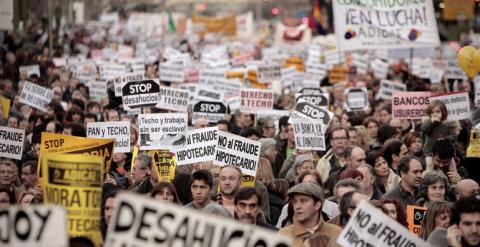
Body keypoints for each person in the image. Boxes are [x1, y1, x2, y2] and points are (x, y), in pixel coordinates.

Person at [277, 182, 342, 247]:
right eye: (295, 201)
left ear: (317, 205)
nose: (297, 206)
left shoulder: (337, 232)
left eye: (303, 201)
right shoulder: (283, 235)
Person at [421, 100, 459, 167]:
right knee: (429, 165)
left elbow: (454, 136)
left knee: (453, 166)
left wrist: (444, 138)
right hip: (430, 152)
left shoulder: (449, 124)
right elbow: (424, 130)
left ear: (443, 112)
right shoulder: (428, 122)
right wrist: (431, 122)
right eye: (432, 112)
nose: (435, 114)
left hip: (446, 152)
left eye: (438, 112)